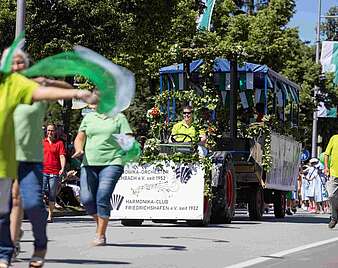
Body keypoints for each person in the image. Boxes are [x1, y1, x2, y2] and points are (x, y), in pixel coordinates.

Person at [0, 50, 98, 267]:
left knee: (32, 204)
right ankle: (11, 246)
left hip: (30, 156)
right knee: (11, 202)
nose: (14, 66)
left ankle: (35, 245)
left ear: (26, 65)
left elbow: (58, 92)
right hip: (6, 156)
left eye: (18, 62)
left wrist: (63, 87)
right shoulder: (5, 87)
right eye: (10, 62)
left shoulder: (34, 88)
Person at [72, 105, 134, 246]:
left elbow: (128, 142)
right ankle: (101, 221)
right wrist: (79, 149)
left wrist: (128, 146)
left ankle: (100, 234)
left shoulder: (119, 118)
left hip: (112, 163)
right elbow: (80, 138)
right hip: (89, 163)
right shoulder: (89, 118)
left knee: (102, 196)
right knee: (86, 199)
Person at [42, 123, 67, 223]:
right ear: (46, 131)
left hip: (54, 172)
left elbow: (62, 156)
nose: (50, 132)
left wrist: (62, 168)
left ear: (55, 131)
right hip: (43, 171)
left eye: (52, 130)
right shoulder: (42, 142)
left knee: (52, 194)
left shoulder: (59, 143)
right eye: (48, 130)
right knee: (40, 192)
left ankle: (50, 215)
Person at [324, 134, 338, 228]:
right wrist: (326, 167)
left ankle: (334, 217)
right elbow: (326, 154)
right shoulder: (334, 138)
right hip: (334, 174)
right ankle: (334, 217)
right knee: (331, 195)